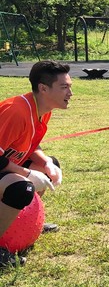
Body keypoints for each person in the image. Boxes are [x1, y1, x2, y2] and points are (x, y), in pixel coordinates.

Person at [0, 60, 69, 266]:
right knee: (22, 188)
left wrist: (47, 162)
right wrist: (26, 174)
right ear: (43, 88)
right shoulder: (16, 111)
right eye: (64, 87)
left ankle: (28, 220)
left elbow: (31, 146)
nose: (70, 93)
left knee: (46, 168)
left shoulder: (42, 109)